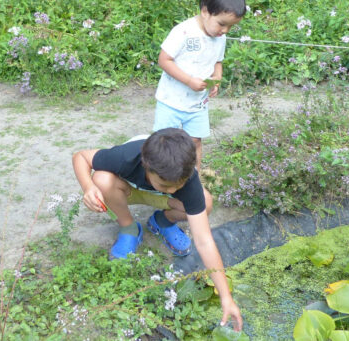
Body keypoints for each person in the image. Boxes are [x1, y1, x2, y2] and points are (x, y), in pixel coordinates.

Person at [71, 128, 243, 330]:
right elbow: (80, 157)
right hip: (126, 189)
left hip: (164, 199)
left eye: (178, 185)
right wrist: (88, 187)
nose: (173, 189)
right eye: (166, 184)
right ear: (146, 166)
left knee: (205, 204)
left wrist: (225, 296)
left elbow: (204, 241)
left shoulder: (187, 179)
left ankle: (162, 221)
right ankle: (128, 227)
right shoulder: (127, 156)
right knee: (101, 179)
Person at [154, 0, 246, 167]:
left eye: (230, 26)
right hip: (171, 101)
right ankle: (163, 176)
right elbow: (164, 60)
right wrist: (189, 80)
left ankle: (195, 176)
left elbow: (218, 61)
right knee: (165, 142)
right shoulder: (183, 32)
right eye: (222, 24)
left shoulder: (220, 37)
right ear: (205, 12)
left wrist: (216, 78)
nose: (225, 30)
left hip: (198, 103)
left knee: (195, 141)